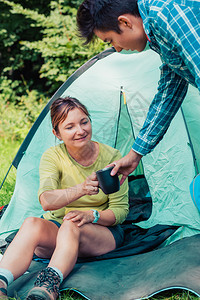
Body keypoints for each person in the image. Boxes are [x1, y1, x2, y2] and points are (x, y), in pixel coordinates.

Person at [0, 97, 129, 300]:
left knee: (71, 223)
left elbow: (120, 212)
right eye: (69, 127)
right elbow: (46, 200)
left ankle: (49, 284)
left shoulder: (112, 156)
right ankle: (0, 282)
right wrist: (81, 189)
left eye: (84, 122)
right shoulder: (53, 157)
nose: (80, 130)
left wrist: (91, 215)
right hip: (59, 230)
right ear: (57, 133)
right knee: (32, 223)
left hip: (101, 233)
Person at [77, 0, 200, 184]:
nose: (116, 49)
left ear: (125, 22)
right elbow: (169, 93)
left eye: (110, 40)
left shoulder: (168, 14)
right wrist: (135, 154)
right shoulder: (157, 33)